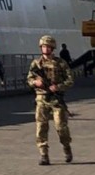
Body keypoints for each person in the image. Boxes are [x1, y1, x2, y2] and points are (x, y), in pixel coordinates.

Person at [26, 35, 73, 166]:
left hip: (56, 99)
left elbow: (70, 80)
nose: (46, 49)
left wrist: (57, 87)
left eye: (48, 47)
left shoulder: (60, 63)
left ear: (52, 48)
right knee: (41, 127)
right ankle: (44, 154)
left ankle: (66, 147)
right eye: (43, 46)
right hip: (41, 98)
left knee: (61, 127)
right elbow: (29, 79)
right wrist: (36, 82)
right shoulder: (36, 64)